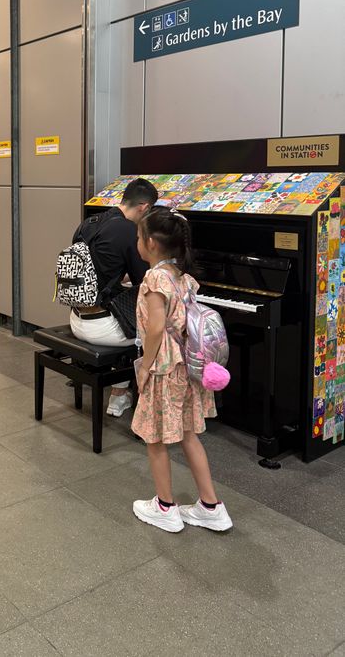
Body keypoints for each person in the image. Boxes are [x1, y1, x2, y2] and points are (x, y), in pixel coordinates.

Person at [131, 206, 232, 534]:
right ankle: (211, 506)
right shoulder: (183, 277)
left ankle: (165, 507)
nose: (137, 243)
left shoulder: (155, 277)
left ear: (150, 242)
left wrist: (145, 367)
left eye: (138, 237)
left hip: (164, 367)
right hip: (188, 367)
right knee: (189, 434)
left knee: (155, 437)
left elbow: (156, 328)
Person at [70, 178, 158, 417]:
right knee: (153, 328)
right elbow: (144, 279)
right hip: (103, 329)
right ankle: (119, 397)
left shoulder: (88, 223)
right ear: (144, 207)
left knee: (129, 310)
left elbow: (92, 272)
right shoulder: (128, 230)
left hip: (76, 319)